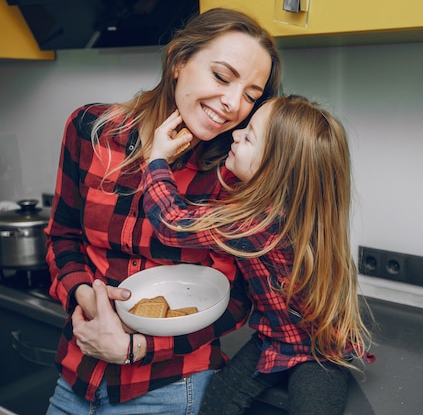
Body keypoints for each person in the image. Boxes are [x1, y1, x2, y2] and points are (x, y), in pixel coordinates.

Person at [44, 8, 282, 415]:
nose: (232, 104)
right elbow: (63, 236)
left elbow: (241, 297)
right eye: (222, 77)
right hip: (76, 378)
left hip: (172, 390)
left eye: (251, 95)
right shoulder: (92, 130)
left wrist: (136, 347)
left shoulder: (239, 171)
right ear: (178, 62)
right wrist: (88, 298)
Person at [142, 95, 373, 415]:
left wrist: (157, 160)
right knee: (218, 403)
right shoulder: (294, 206)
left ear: (274, 169)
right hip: (273, 338)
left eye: (248, 136)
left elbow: (171, 224)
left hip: (317, 354)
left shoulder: (260, 222)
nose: (235, 135)